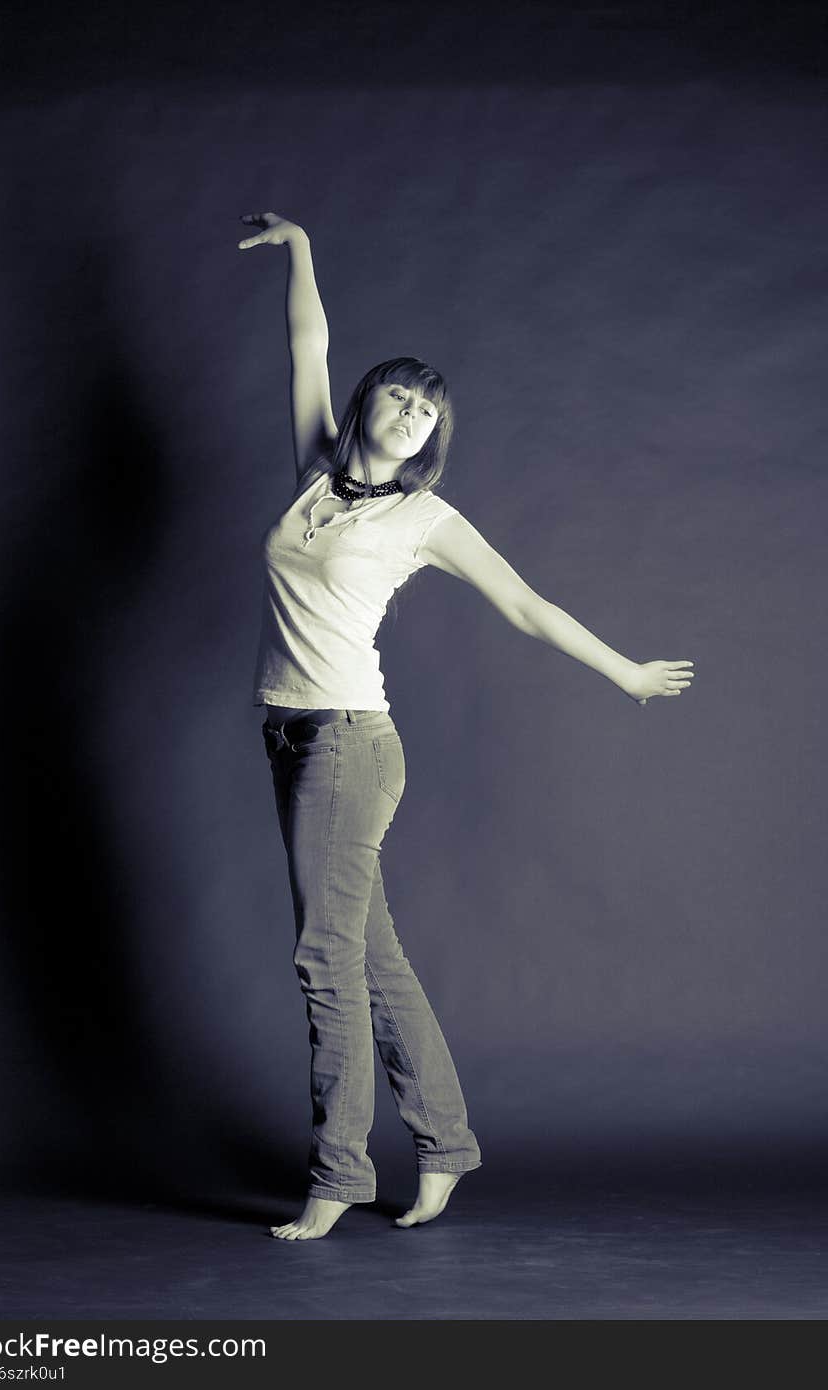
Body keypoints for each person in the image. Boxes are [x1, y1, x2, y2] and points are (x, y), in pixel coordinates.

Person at [237, 212, 694, 1241]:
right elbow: (306, 344)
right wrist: (305, 246)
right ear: (369, 402)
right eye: (400, 395)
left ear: (435, 437)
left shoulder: (423, 520)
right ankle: (443, 1146)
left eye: (428, 412)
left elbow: (526, 606)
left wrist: (624, 672)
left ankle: (337, 1172)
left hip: (351, 743)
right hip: (286, 733)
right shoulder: (315, 472)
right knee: (370, 953)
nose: (411, 415)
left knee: (322, 956)